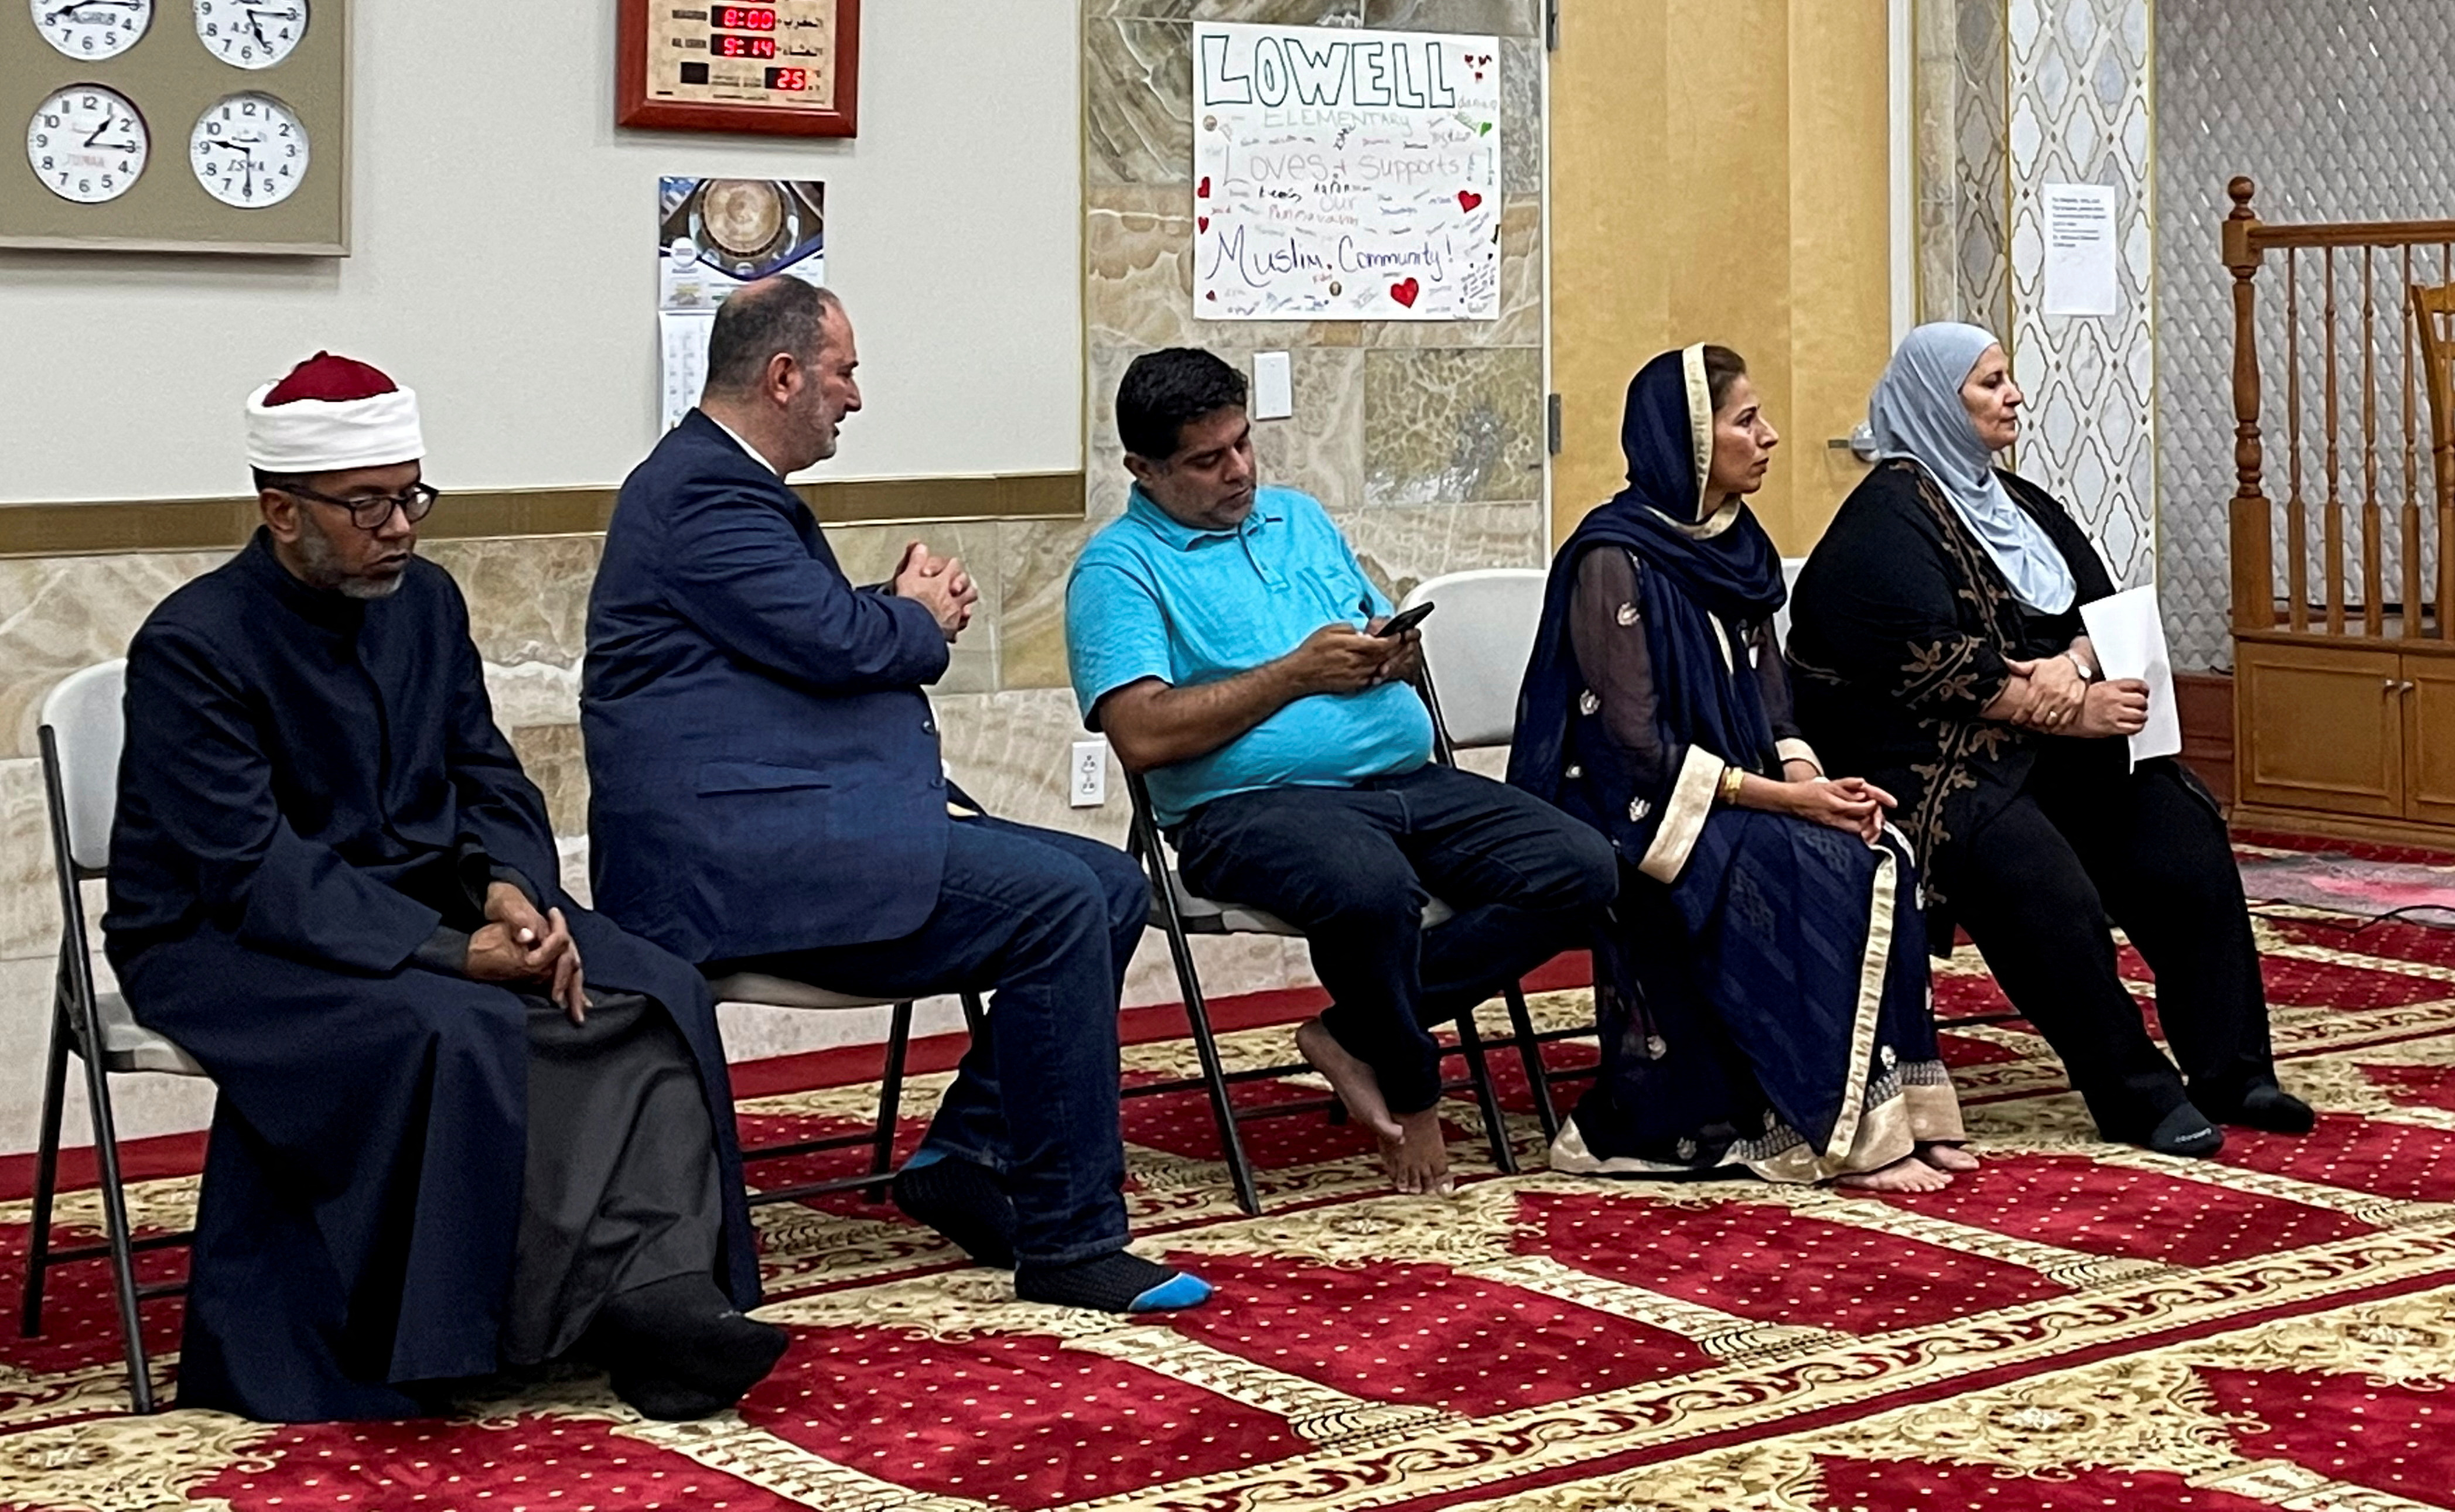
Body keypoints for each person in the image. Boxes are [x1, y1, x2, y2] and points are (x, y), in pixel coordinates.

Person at [109, 354, 780, 1421]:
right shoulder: (196, 644)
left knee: (655, 988)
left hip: (430, 900)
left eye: (411, 494)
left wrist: (512, 887)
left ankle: (656, 1289)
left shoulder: (424, 603)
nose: (401, 528)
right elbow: (250, 866)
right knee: (460, 1024)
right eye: (366, 504)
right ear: (281, 509)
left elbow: (483, 770)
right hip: (221, 939)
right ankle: (479, 1327)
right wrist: (444, 948)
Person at [583, 279, 1206, 1315]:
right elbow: (833, 643)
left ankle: (966, 1156)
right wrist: (914, 619)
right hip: (743, 862)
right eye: (844, 372)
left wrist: (894, 607)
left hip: (799, 825)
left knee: (1105, 880)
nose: (855, 397)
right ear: (783, 377)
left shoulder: (720, 487)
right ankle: (1071, 1238)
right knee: (1060, 903)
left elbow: (794, 633)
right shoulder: (704, 493)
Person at [1073, 348, 1617, 1196]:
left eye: (1244, 444)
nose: (1239, 471)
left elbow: (1367, 624)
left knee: (1584, 865)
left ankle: (1354, 1032)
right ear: (1143, 468)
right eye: (1208, 460)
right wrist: (1296, 672)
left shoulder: (1299, 518)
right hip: (1246, 806)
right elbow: (1140, 735)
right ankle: (1412, 1085)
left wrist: (1392, 653)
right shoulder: (1119, 569)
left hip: (1405, 779)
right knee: (1371, 890)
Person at [1791, 323, 2311, 1157]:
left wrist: (2072, 667)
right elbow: (1949, 672)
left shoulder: (2021, 503)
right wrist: (2071, 702)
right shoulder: (1884, 523)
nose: (2014, 396)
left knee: (2180, 828)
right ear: (1935, 402)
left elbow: (2103, 614)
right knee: (2041, 878)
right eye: (1990, 383)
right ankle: (2132, 1090)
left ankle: (2232, 1068)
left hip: (2046, 748)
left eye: (2009, 378)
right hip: (1927, 766)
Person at [1514, 345, 1971, 1192]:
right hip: (1640, 808)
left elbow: (1773, 707)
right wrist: (1792, 806)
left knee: (1880, 848)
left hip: (1733, 791)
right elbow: (1631, 746)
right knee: (1808, 862)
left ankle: (1898, 1110)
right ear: (1689, 439)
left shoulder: (1738, 545)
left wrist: (1812, 782)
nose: (1768, 436)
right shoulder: (1614, 556)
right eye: (1744, 420)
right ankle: (1826, 1124)